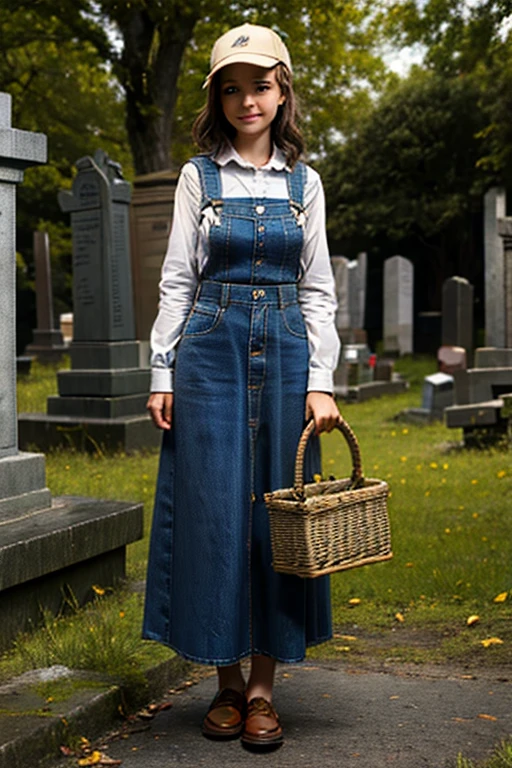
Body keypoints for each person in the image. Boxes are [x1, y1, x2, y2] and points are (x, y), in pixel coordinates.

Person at [143, 22, 341, 751]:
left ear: (282, 90)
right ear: (219, 98)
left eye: (259, 85)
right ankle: (224, 684)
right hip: (209, 354)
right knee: (214, 514)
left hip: (289, 355)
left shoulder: (304, 183)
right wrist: (162, 369)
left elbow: (317, 291)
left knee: (274, 518)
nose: (246, 100)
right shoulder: (201, 177)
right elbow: (176, 280)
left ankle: (263, 691)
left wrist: (322, 381)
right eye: (232, 88)